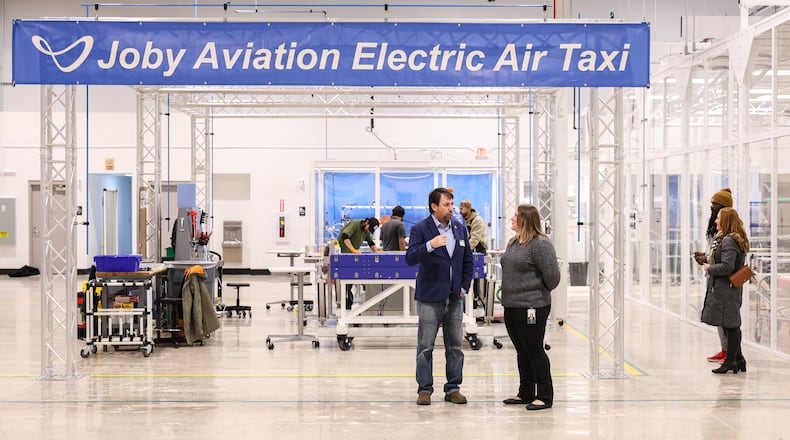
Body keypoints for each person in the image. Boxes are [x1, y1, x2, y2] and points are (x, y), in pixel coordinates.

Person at [406, 187, 474, 406]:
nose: (451, 208)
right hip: (430, 297)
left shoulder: (459, 228)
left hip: (455, 298)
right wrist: (430, 245)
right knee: (425, 347)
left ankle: (453, 388)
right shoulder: (420, 229)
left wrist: (464, 286)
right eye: (446, 205)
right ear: (434, 206)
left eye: (452, 204)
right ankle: (424, 389)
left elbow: (468, 260)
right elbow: (410, 257)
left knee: (455, 347)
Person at [500, 204, 561, 411]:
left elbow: (553, 278)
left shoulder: (541, 245)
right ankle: (525, 392)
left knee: (534, 350)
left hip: (532, 306)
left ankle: (544, 395)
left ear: (525, 219)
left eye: (515, 215)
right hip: (511, 305)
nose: (512, 218)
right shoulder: (513, 242)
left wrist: (534, 293)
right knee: (522, 350)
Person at [701, 207, 749, 374]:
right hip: (728, 289)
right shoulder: (731, 239)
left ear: (726, 221)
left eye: (718, 218)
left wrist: (710, 268)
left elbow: (728, 267)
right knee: (730, 324)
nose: (715, 221)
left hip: (726, 290)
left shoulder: (729, 241)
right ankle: (739, 359)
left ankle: (731, 362)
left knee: (731, 326)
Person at [693, 188, 733, 363]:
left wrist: (709, 263)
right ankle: (725, 350)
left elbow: (727, 262)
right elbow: (716, 253)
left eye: (714, 204)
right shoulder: (716, 230)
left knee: (727, 319)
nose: (711, 206)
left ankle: (731, 353)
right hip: (714, 278)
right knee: (718, 316)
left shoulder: (729, 235)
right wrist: (705, 257)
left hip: (724, 281)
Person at [339, 217, 381, 309]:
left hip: (353, 258)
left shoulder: (365, 231)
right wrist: (352, 249)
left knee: (354, 281)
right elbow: (345, 236)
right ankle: (346, 305)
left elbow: (370, 242)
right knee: (346, 283)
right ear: (366, 222)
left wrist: (377, 253)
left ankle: (354, 303)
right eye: (368, 228)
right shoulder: (355, 224)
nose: (368, 231)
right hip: (345, 256)